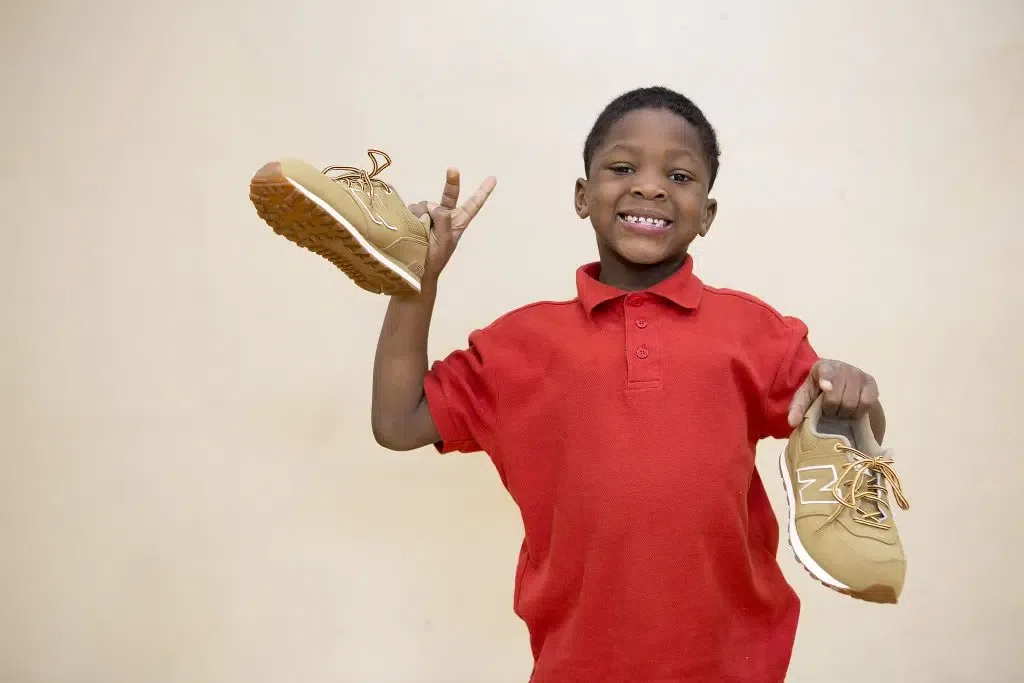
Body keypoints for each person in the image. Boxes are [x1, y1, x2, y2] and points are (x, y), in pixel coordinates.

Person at [366, 86, 888, 682]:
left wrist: (855, 395)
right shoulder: (518, 345)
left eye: (679, 176)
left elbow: (853, 437)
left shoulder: (756, 332)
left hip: (733, 671)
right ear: (582, 196)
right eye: (622, 168)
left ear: (707, 214)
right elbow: (398, 421)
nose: (650, 187)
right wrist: (414, 280)